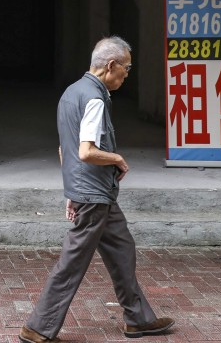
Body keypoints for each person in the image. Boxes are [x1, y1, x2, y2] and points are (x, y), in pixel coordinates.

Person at [19, 36, 175, 343]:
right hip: (94, 194)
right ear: (112, 65)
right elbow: (86, 151)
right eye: (127, 68)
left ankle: (138, 319)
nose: (127, 74)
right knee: (72, 262)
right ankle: (38, 328)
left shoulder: (71, 92)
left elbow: (64, 150)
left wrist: (70, 191)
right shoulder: (94, 98)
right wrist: (117, 158)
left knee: (122, 249)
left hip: (92, 192)